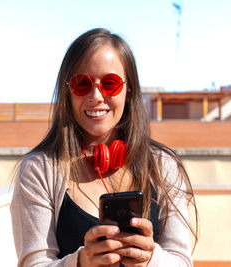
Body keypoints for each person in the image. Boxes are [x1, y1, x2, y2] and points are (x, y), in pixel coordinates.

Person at [10, 28, 198, 267]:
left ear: (128, 90)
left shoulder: (163, 166)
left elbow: (182, 262)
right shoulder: (39, 170)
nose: (96, 96)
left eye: (110, 83)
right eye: (81, 84)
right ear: (68, 92)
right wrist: (80, 263)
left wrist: (151, 260)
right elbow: (33, 263)